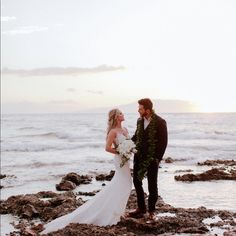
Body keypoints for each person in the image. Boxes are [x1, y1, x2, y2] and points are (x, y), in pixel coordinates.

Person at [41, 109, 132, 234]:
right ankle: (112, 212)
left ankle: (119, 210)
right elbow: (107, 148)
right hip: (120, 159)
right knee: (124, 184)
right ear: (116, 117)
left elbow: (129, 143)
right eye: (121, 113)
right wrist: (120, 152)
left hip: (126, 161)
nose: (123, 115)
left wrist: (129, 150)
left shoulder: (125, 129)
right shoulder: (113, 132)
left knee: (125, 185)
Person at [128, 98, 168, 220]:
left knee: (152, 184)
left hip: (152, 158)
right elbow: (136, 136)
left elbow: (163, 141)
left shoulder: (160, 122)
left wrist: (157, 158)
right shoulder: (139, 121)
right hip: (139, 156)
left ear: (148, 110)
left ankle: (151, 211)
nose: (138, 110)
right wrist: (126, 145)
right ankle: (141, 208)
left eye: (140, 108)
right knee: (137, 181)